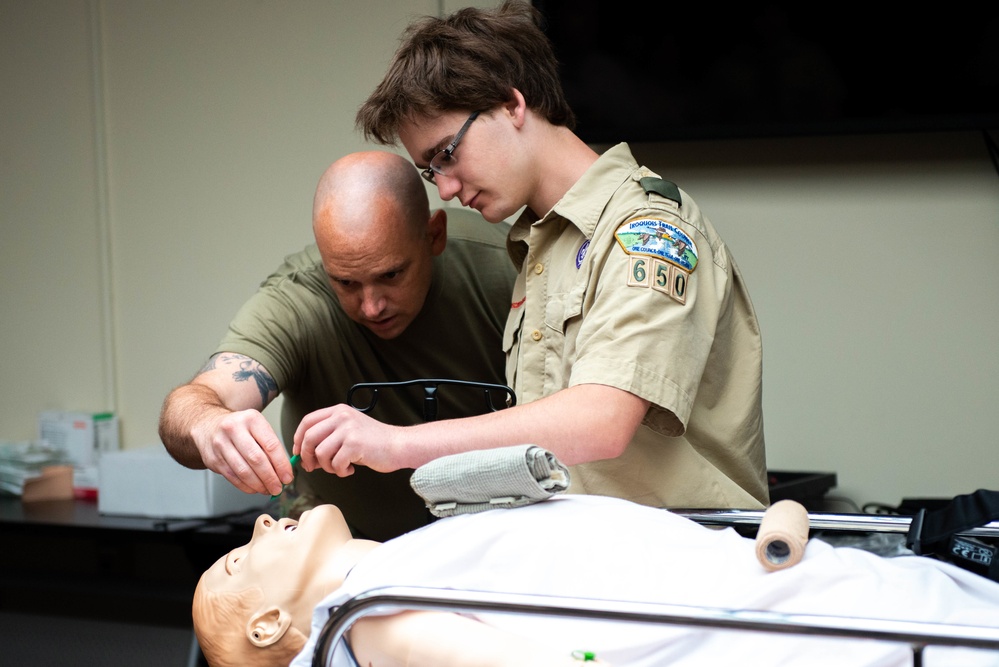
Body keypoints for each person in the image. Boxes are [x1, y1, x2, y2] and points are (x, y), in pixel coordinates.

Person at [292, 0, 768, 510]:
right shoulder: (543, 247)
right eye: (431, 172)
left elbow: (600, 423)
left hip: (678, 565)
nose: (446, 189)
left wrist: (395, 444)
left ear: (512, 104)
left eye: (446, 154)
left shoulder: (646, 230)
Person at [159, 151, 517, 540]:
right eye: (346, 282)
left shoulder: (510, 271)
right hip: (339, 549)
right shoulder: (298, 301)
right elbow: (193, 403)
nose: (371, 306)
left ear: (434, 236)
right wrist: (211, 426)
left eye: (391, 274)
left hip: (503, 541)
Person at [192, 495, 999, 667]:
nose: (261, 524)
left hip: (803, 593)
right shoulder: (368, 620)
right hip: (826, 628)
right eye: (238, 560)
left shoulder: (390, 568)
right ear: (269, 626)